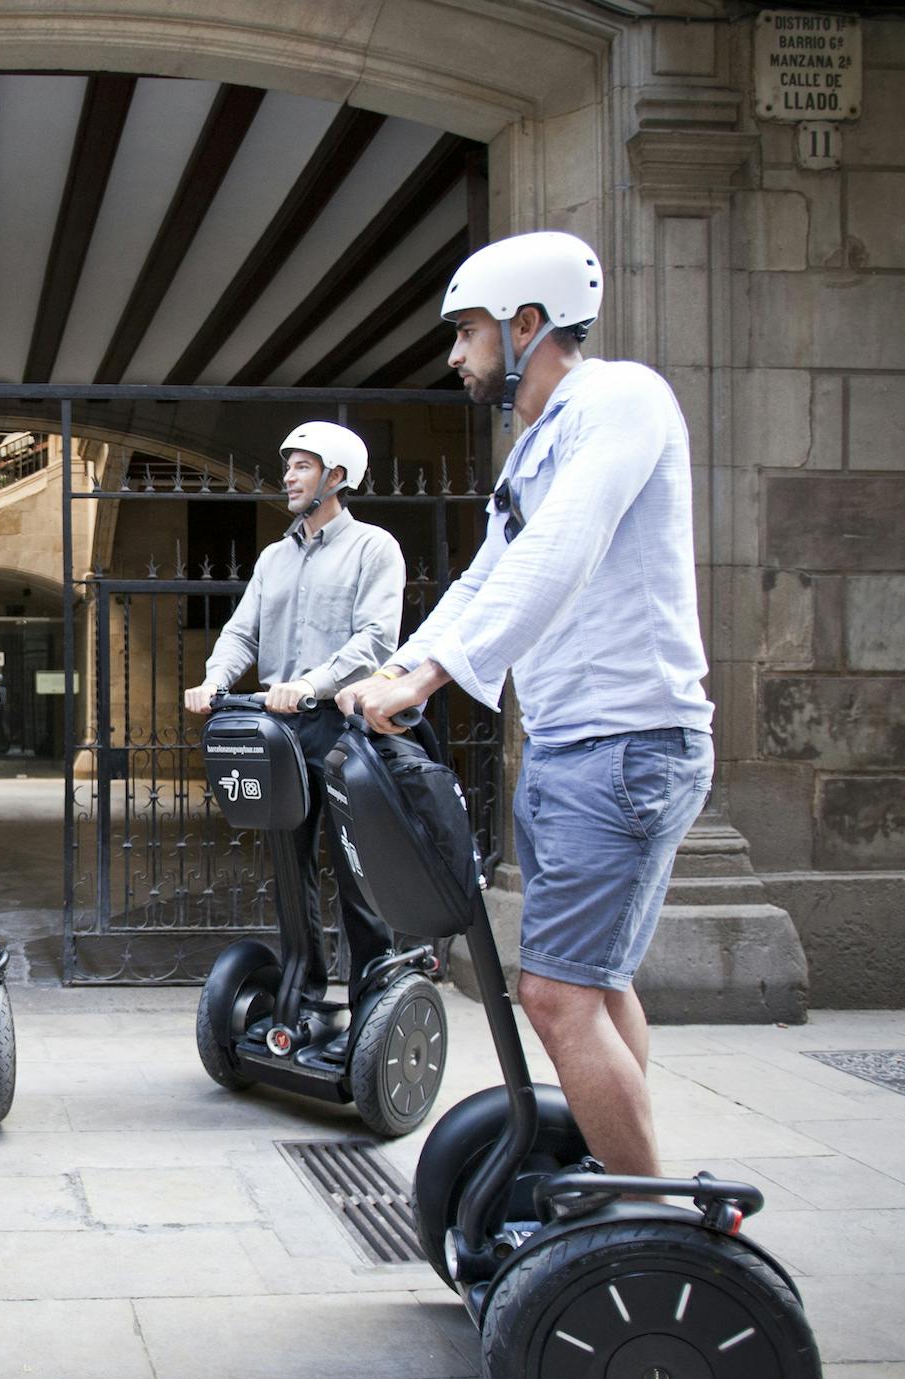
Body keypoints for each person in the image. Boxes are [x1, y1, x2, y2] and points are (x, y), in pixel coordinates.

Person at [337, 231, 713, 1185]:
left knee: (554, 994)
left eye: (468, 332)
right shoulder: (532, 450)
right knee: (593, 984)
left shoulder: (621, 401)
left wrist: (427, 681)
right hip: (571, 746)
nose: (456, 356)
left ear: (528, 324)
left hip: (626, 744)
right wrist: (401, 664)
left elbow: (566, 550)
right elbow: (483, 580)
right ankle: (621, 1169)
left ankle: (647, 1216)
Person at [185, 421, 403, 1025]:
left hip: (340, 728)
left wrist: (312, 682)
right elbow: (241, 631)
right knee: (289, 868)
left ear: (336, 477)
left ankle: (372, 1001)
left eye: (302, 466)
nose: (288, 476)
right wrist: (215, 680)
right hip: (278, 732)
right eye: (289, 466)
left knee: (355, 866)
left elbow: (378, 637)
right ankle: (303, 994)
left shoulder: (373, 548)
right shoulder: (273, 558)